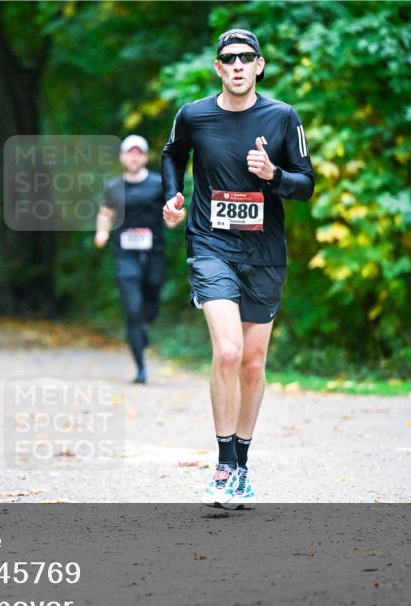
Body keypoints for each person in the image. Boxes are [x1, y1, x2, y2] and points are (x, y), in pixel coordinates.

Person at [161, 29, 315, 507]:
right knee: (227, 351)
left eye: (246, 58)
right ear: (218, 68)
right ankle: (224, 465)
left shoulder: (283, 117)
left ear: (260, 65)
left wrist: (274, 176)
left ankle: (243, 464)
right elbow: (172, 154)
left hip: (265, 255)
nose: (237, 66)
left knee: (252, 363)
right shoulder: (194, 116)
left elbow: (306, 185)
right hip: (210, 245)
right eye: (228, 59)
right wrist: (172, 195)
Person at [96, 135, 181, 384]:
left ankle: (144, 327)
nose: (134, 157)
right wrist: (101, 232)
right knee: (132, 309)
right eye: (129, 153)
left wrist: (173, 217)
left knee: (151, 301)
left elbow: (174, 209)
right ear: (122, 157)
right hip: (125, 255)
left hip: (154, 252)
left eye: (139, 153)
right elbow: (105, 213)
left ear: (144, 157)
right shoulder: (113, 187)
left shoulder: (158, 183)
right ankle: (141, 368)